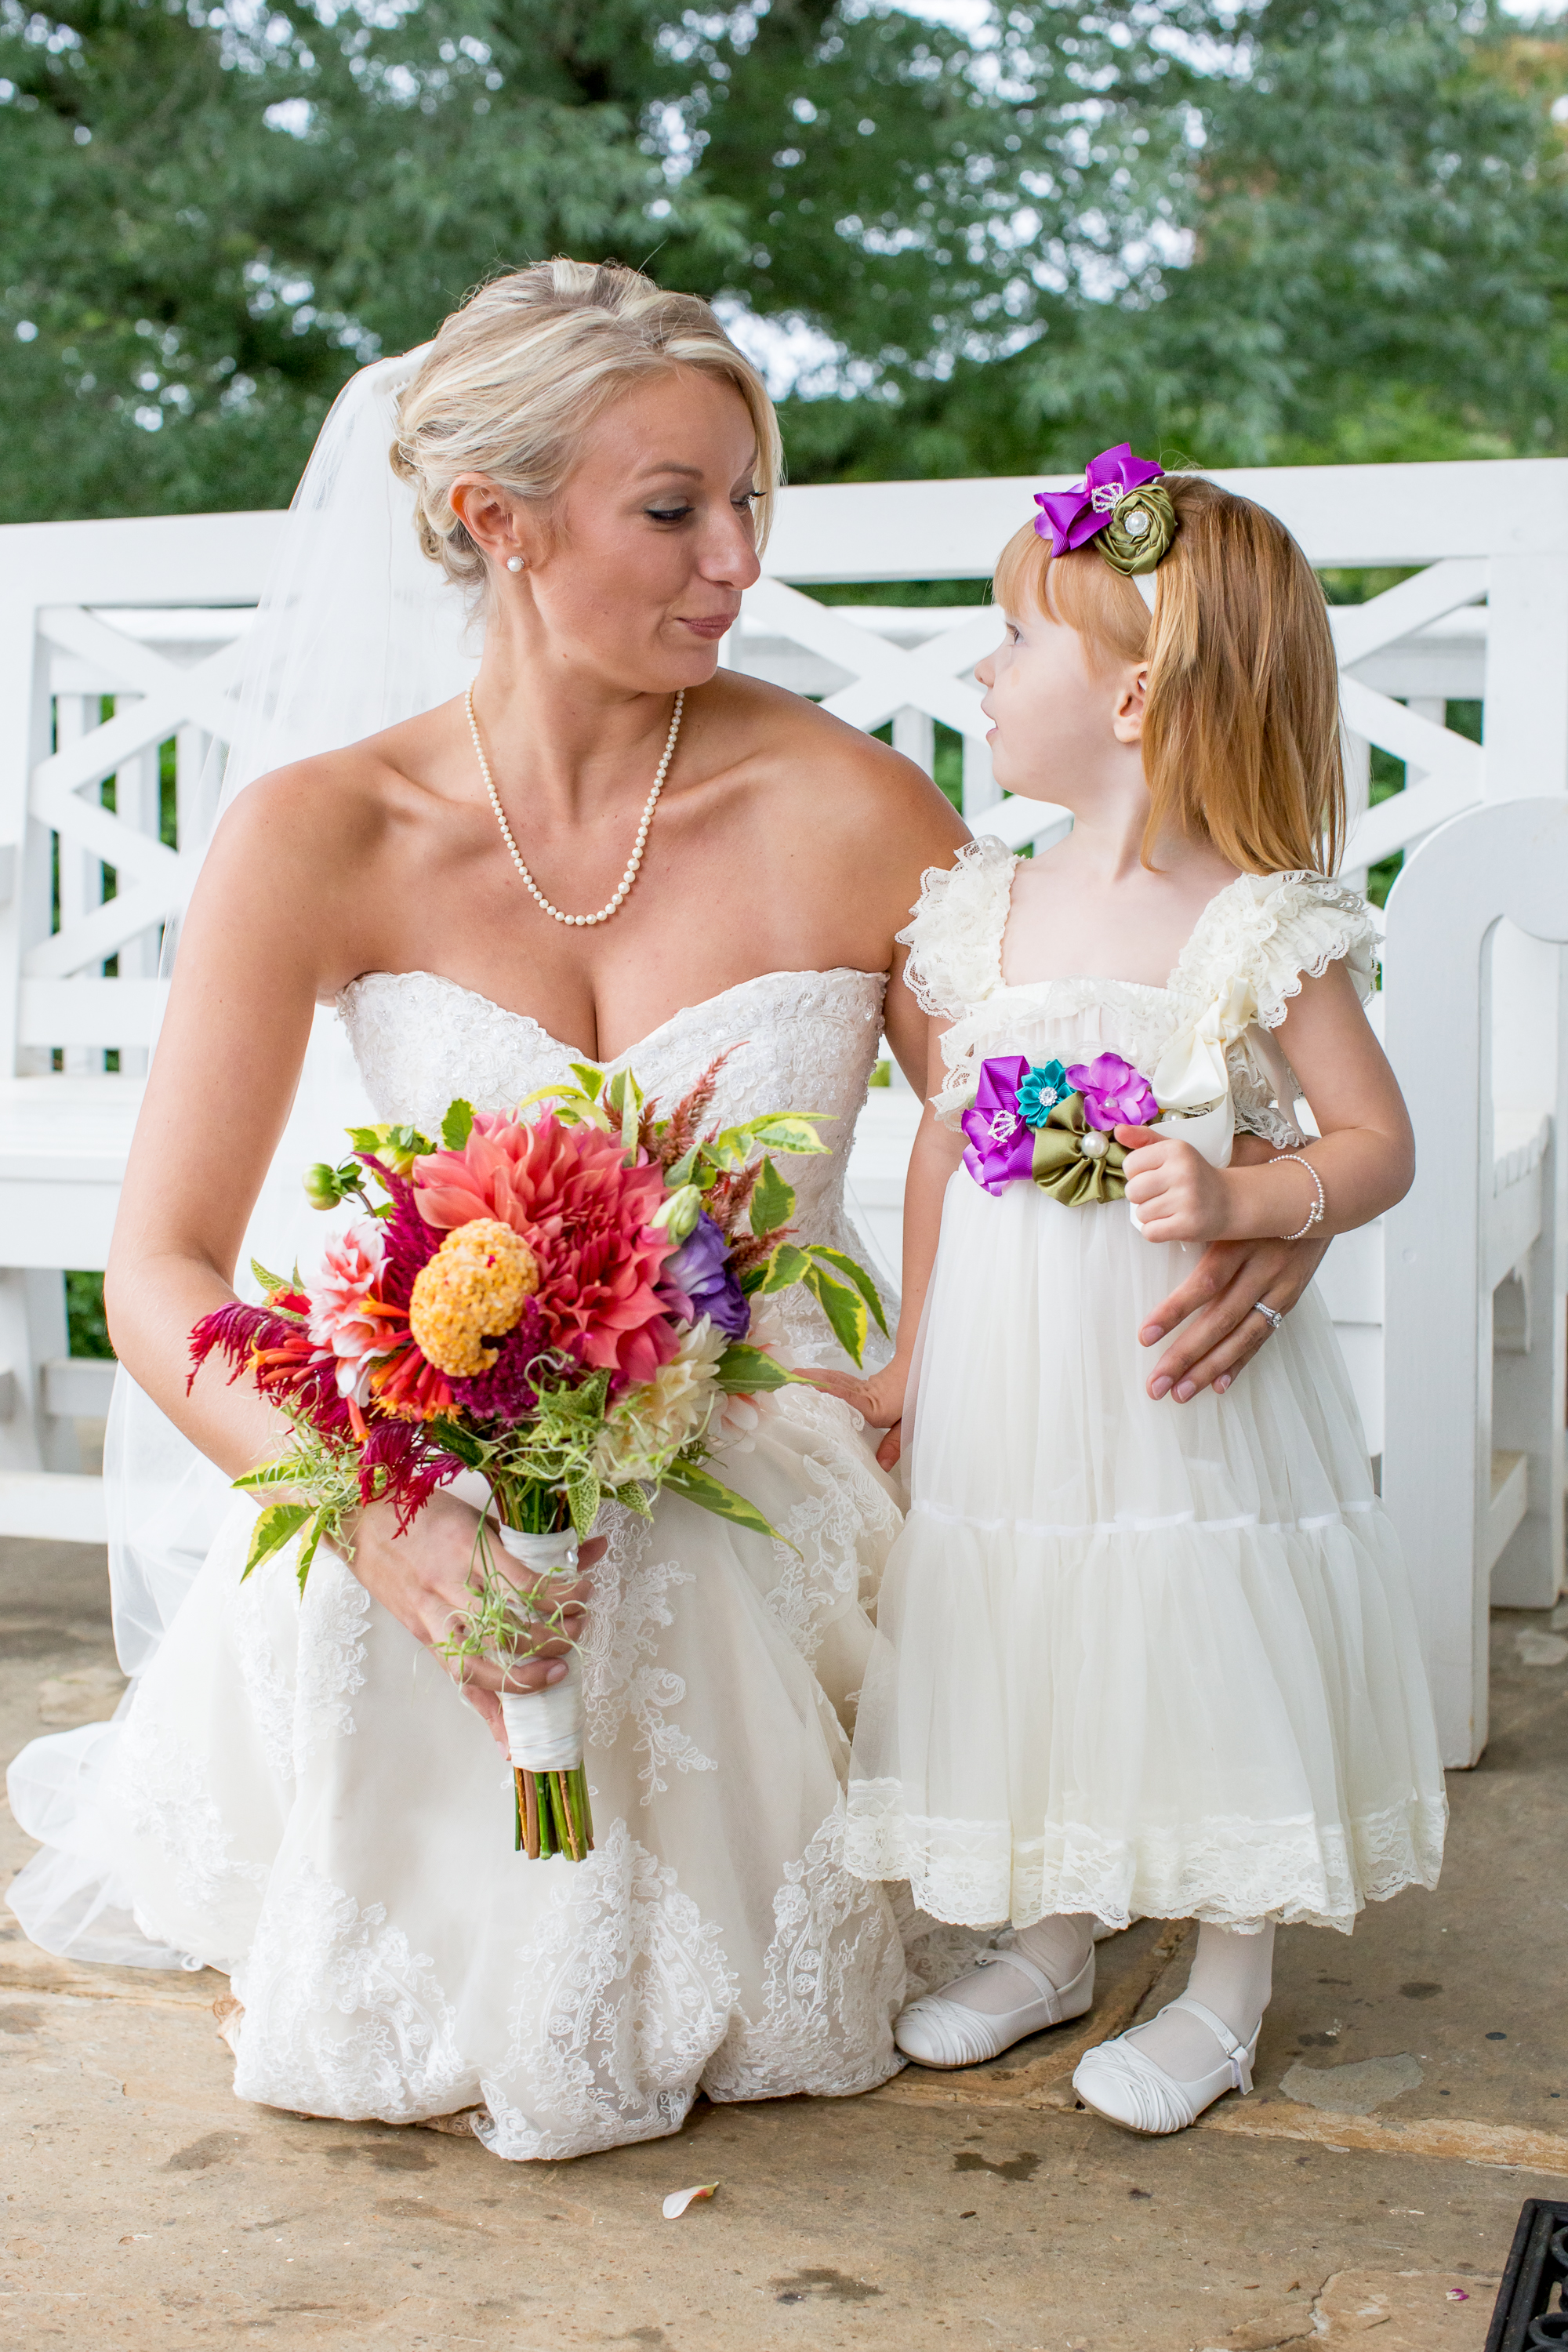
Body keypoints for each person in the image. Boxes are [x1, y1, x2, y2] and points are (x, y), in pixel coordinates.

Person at [6, 278, 1327, 2161]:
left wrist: (1279, 1198)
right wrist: (373, 1509)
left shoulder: (857, 810)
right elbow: (159, 1277)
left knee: (668, 1570)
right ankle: (406, 1940)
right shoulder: (325, 829)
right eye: (674, 509)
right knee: (440, 1583)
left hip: (783, 1429)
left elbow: (1073, 1109)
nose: (737, 563)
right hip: (424, 1428)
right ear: (495, 519)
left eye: (753, 504)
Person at [829, 453, 1447, 2135]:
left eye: (1007, 638)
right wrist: (907, 1357)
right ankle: (1049, 1934)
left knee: (1188, 1623)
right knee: (1026, 1622)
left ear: (1127, 692)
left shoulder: (1250, 927)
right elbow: (948, 1147)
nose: (977, 670)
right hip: (1010, 1379)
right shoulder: (986, 906)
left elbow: (1378, 1140)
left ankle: (1228, 1977)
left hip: (1178, 1383)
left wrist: (1256, 1193)